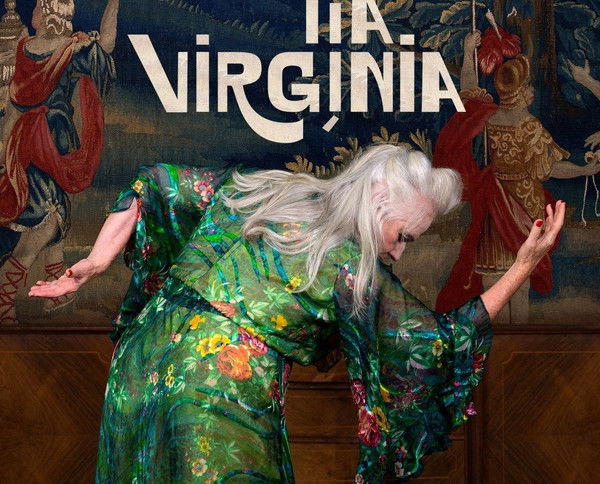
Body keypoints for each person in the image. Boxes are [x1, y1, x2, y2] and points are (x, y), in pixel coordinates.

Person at [30, 143, 563, 482]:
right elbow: (434, 343)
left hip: (140, 363)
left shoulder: (272, 189)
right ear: (377, 204)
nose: (399, 253)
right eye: (404, 236)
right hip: (217, 388)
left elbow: (155, 183)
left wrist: (95, 262)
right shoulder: (351, 265)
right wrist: (521, 266)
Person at [0, 0, 140, 323]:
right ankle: (6, 296)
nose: (34, 12)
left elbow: (105, 47)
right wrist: (4, 149)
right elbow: (15, 103)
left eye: (38, 6)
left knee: (55, 213)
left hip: (47, 144)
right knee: (49, 218)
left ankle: (52, 292)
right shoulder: (33, 48)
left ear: (48, 11)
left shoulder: (65, 47)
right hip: (33, 145)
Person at [435, 31, 599, 321]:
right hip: (522, 207)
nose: (533, 91)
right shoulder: (528, 126)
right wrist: (584, 170)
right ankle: (517, 338)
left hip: (493, 202)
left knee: (491, 281)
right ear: (521, 92)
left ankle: (494, 337)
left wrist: (468, 51)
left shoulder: (489, 115)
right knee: (519, 283)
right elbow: (550, 169)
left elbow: (469, 89)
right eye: (529, 86)